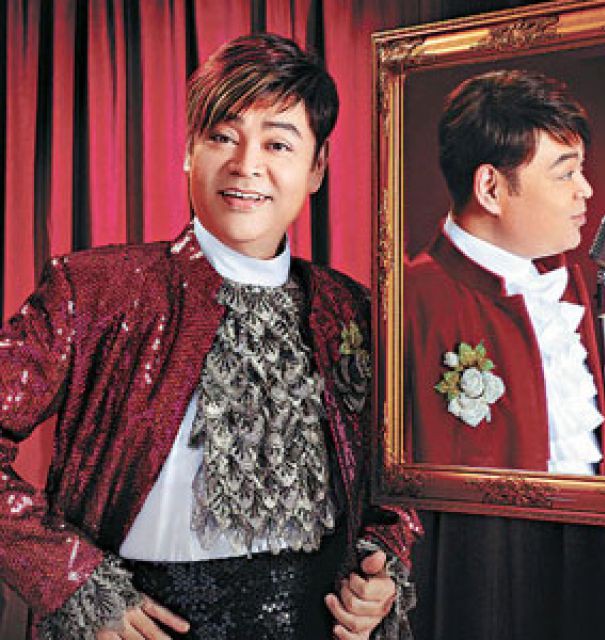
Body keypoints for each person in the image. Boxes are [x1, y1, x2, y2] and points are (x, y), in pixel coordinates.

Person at [0, 33, 420, 640]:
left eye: (278, 143)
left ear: (317, 167)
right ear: (189, 151)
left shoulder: (350, 310)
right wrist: (74, 582)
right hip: (141, 621)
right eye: (223, 136)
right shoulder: (95, 290)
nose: (246, 165)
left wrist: (380, 568)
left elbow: (393, 479)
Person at [404, 68, 605, 473]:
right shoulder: (412, 300)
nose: (585, 190)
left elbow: (563, 417)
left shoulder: (557, 279)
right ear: (491, 189)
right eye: (566, 173)